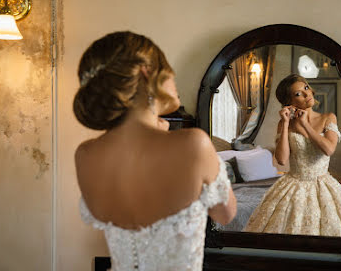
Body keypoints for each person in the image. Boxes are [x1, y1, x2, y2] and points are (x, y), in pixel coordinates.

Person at [73, 32, 236, 271]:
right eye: (169, 70)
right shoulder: (192, 144)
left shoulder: (85, 154)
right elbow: (225, 215)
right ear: (146, 72)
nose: (174, 78)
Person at [244, 74, 341, 236]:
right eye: (298, 94)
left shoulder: (328, 118)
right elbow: (281, 160)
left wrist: (305, 125)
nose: (306, 94)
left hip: (322, 183)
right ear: (289, 102)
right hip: (293, 183)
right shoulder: (285, 123)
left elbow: (329, 149)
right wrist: (287, 123)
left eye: (306, 88)